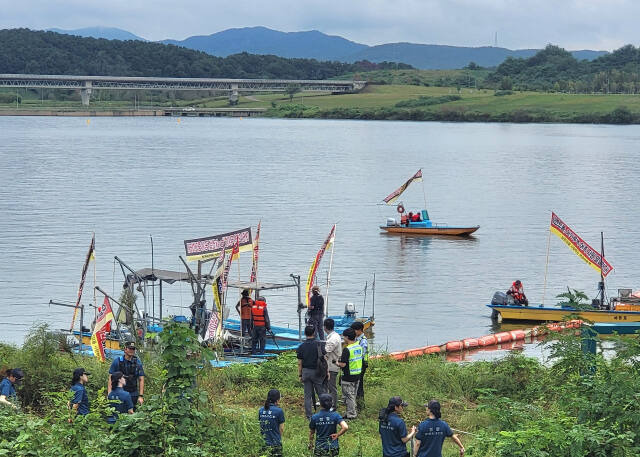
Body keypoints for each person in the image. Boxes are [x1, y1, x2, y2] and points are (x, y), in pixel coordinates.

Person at [297, 325, 327, 419]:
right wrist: (327, 372)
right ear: (314, 333)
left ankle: (309, 415)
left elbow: (299, 363)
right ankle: (325, 411)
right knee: (321, 393)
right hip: (317, 371)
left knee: (307, 395)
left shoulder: (301, 346)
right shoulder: (319, 344)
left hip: (306, 372)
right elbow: (324, 359)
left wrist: (300, 374)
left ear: (305, 334)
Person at [108, 341, 145, 409]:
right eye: (130, 348)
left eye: (133, 349)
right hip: (120, 393)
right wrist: (109, 393)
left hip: (133, 393)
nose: (132, 350)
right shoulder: (117, 361)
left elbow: (141, 379)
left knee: (131, 413)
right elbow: (111, 378)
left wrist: (141, 396)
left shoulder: (137, 362)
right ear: (125, 349)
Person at [336, 328, 362, 419]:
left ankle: (351, 415)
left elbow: (343, 364)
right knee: (353, 395)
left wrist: (336, 363)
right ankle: (350, 412)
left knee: (349, 396)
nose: (343, 338)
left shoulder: (347, 350)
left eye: (344, 337)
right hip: (357, 374)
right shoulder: (359, 346)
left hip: (348, 376)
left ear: (347, 337)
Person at [258, 389, 285, 456]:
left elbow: (260, 425)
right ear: (278, 400)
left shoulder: (261, 410)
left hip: (263, 443)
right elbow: (281, 429)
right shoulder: (279, 411)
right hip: (275, 443)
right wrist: (278, 438)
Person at [323, 318, 342, 408]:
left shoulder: (332, 339)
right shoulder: (335, 336)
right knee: (328, 385)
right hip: (331, 365)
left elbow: (326, 351)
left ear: (325, 327)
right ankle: (327, 402)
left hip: (332, 366)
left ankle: (333, 405)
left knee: (331, 387)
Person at [350, 321, 368, 406]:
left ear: (359, 330)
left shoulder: (363, 341)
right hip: (358, 364)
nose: (353, 332)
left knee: (359, 385)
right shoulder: (357, 339)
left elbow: (362, 354)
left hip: (361, 365)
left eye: (354, 330)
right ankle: (357, 403)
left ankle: (361, 405)